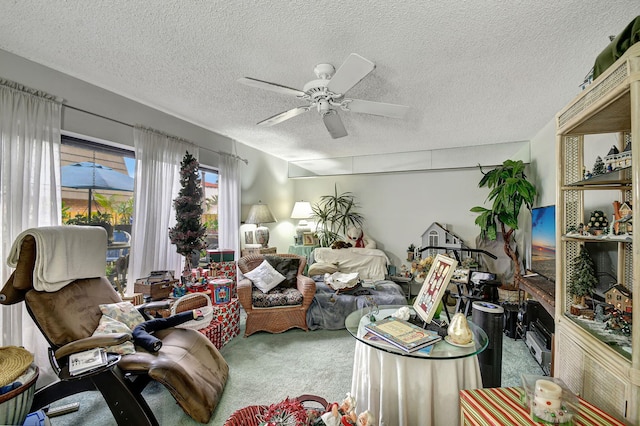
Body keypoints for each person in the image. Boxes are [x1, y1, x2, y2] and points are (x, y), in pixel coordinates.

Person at [132, 309, 203, 352]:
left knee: (166, 321)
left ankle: (192, 314)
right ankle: (153, 343)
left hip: (141, 326)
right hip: (138, 329)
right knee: (138, 332)